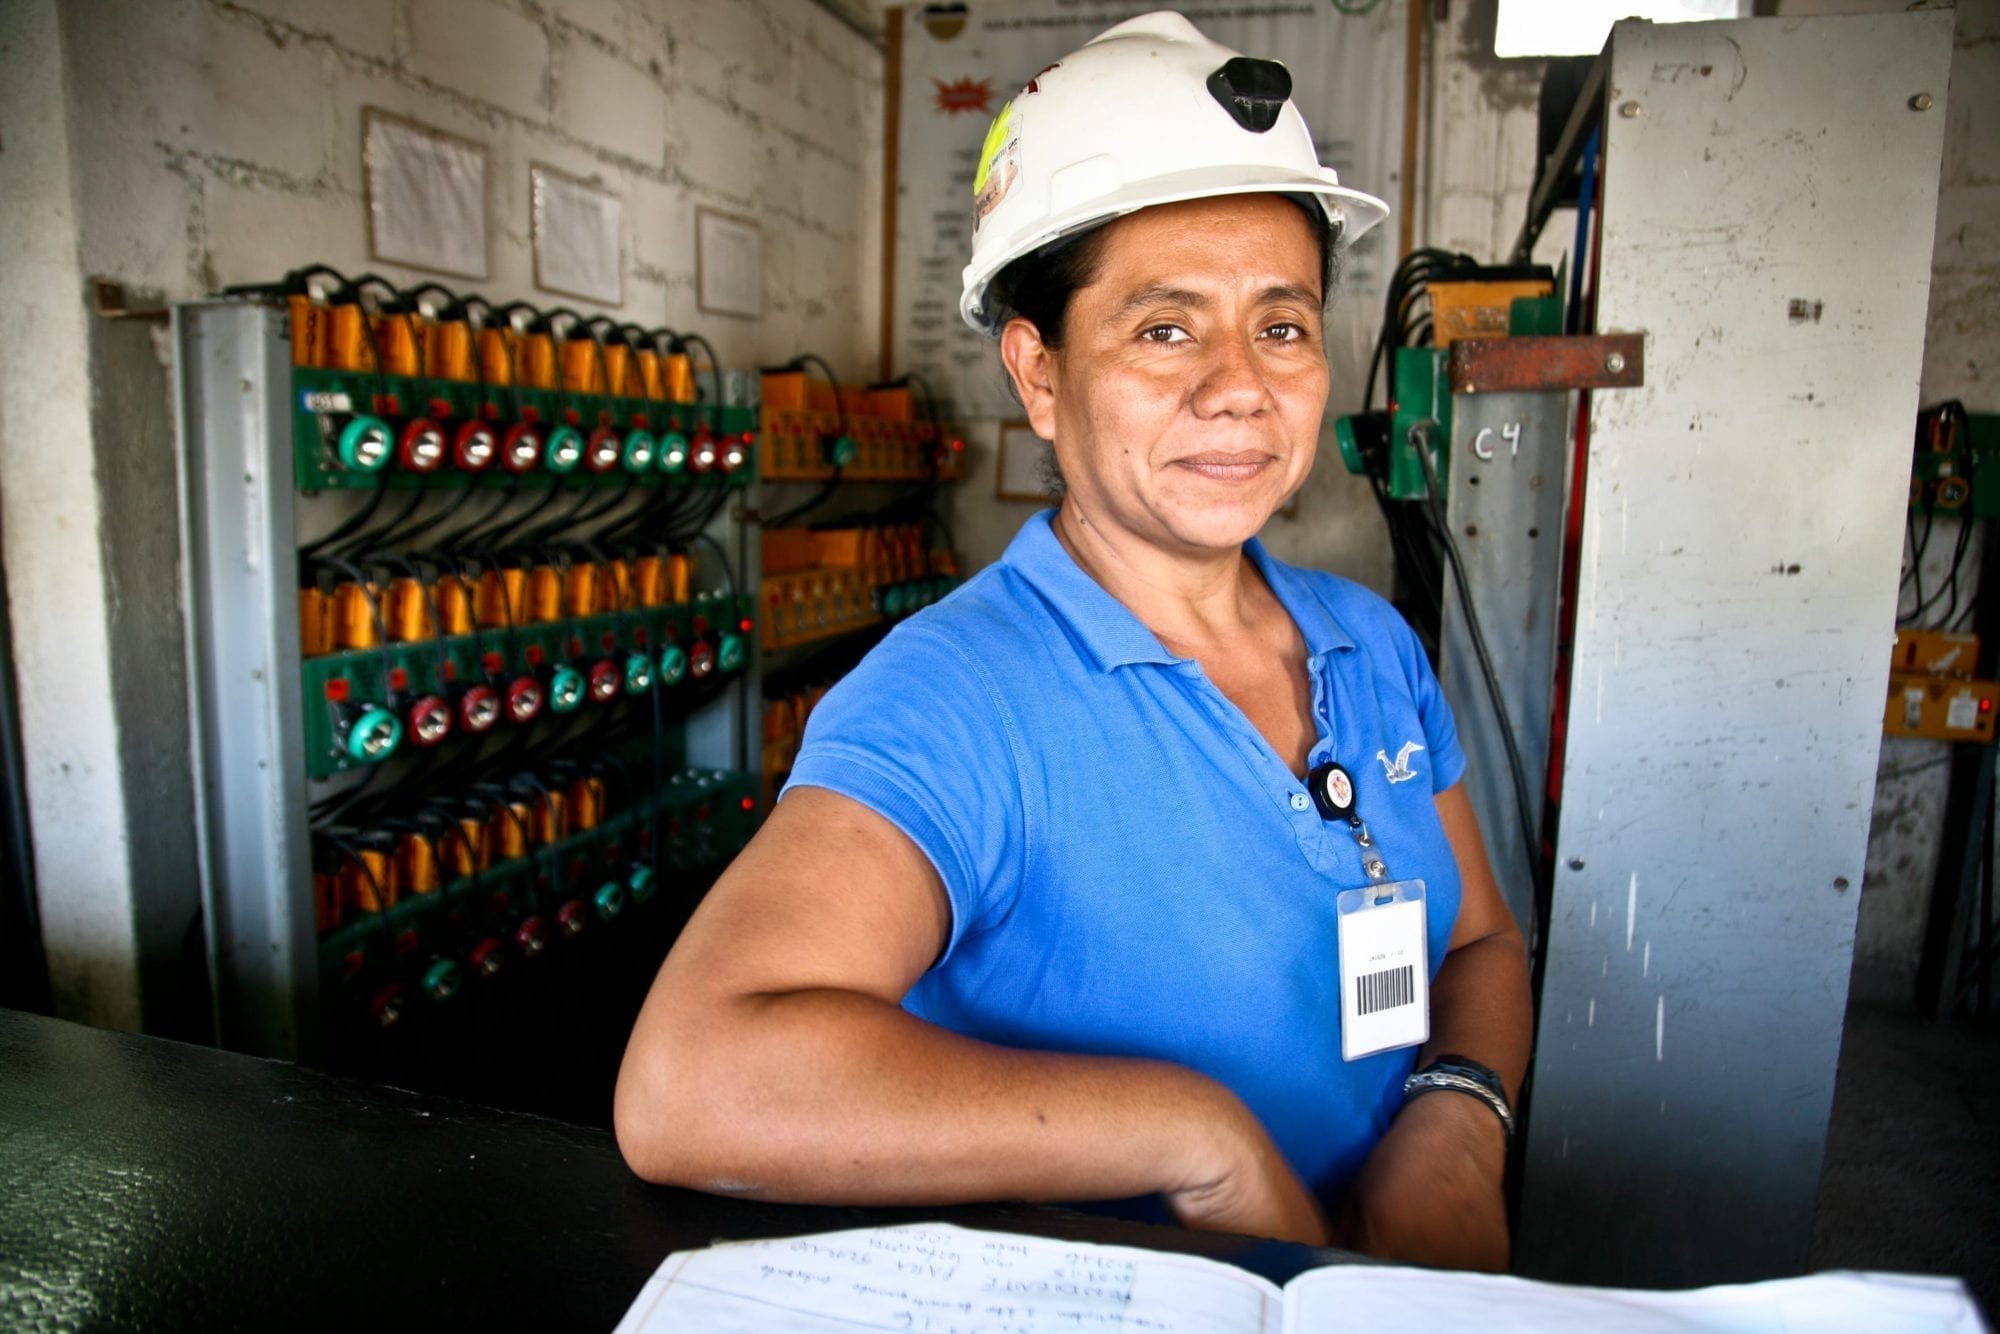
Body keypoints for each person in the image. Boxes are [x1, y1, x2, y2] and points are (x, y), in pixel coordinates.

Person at [615, 10, 1531, 1271]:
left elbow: (1478, 938)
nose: (1239, 385)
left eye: (1281, 323)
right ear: (1038, 375)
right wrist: (1193, 1134)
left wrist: (1459, 1112)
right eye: (1164, 328)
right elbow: (694, 1077)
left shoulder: (1370, 646)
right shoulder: (957, 696)